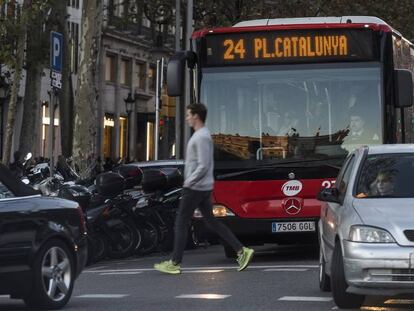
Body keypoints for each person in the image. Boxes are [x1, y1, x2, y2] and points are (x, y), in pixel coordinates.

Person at [154, 103, 254, 274]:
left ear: (196, 116)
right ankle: (241, 250)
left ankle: (175, 262)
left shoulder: (200, 137)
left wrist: (189, 182)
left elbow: (203, 164)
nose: (186, 117)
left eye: (188, 114)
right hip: (203, 187)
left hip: (195, 187)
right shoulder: (203, 135)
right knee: (212, 222)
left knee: (181, 222)